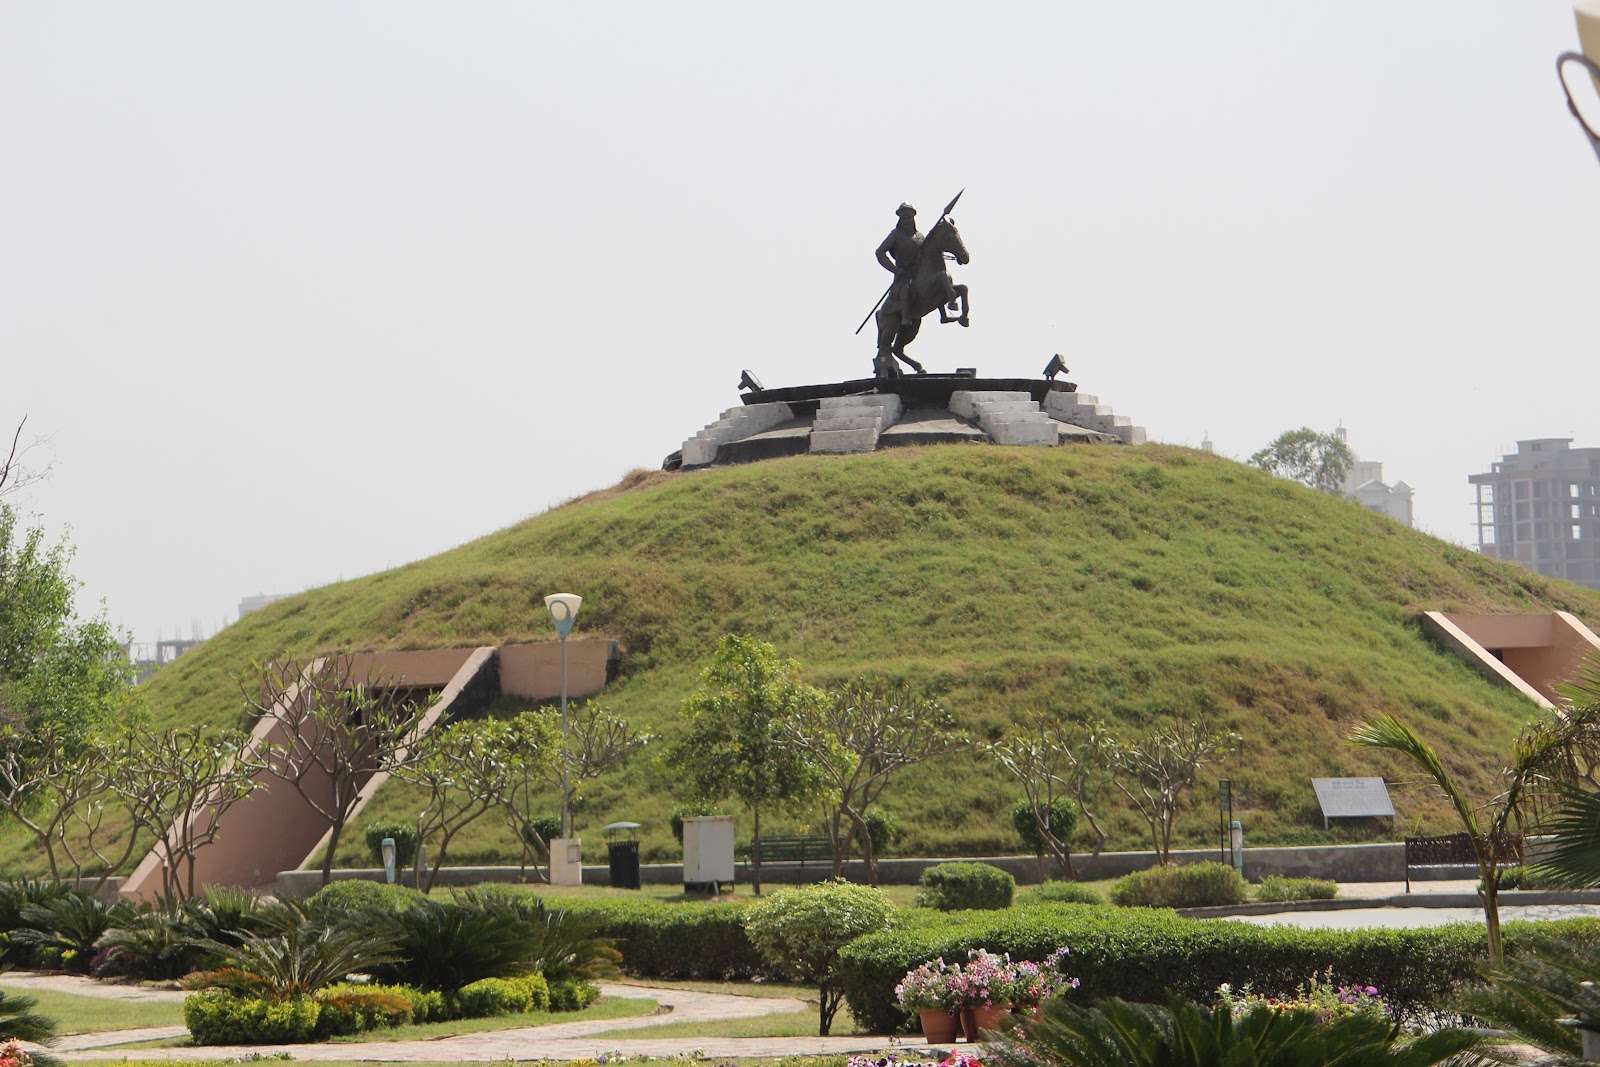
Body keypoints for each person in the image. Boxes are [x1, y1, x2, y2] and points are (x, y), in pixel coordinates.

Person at [875, 203, 923, 327]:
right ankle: (904, 317)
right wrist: (895, 270)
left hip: (919, 273)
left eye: (909, 218)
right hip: (904, 276)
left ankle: (944, 313)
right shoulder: (895, 235)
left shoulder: (920, 236)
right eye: (904, 218)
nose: (907, 221)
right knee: (906, 288)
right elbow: (880, 252)